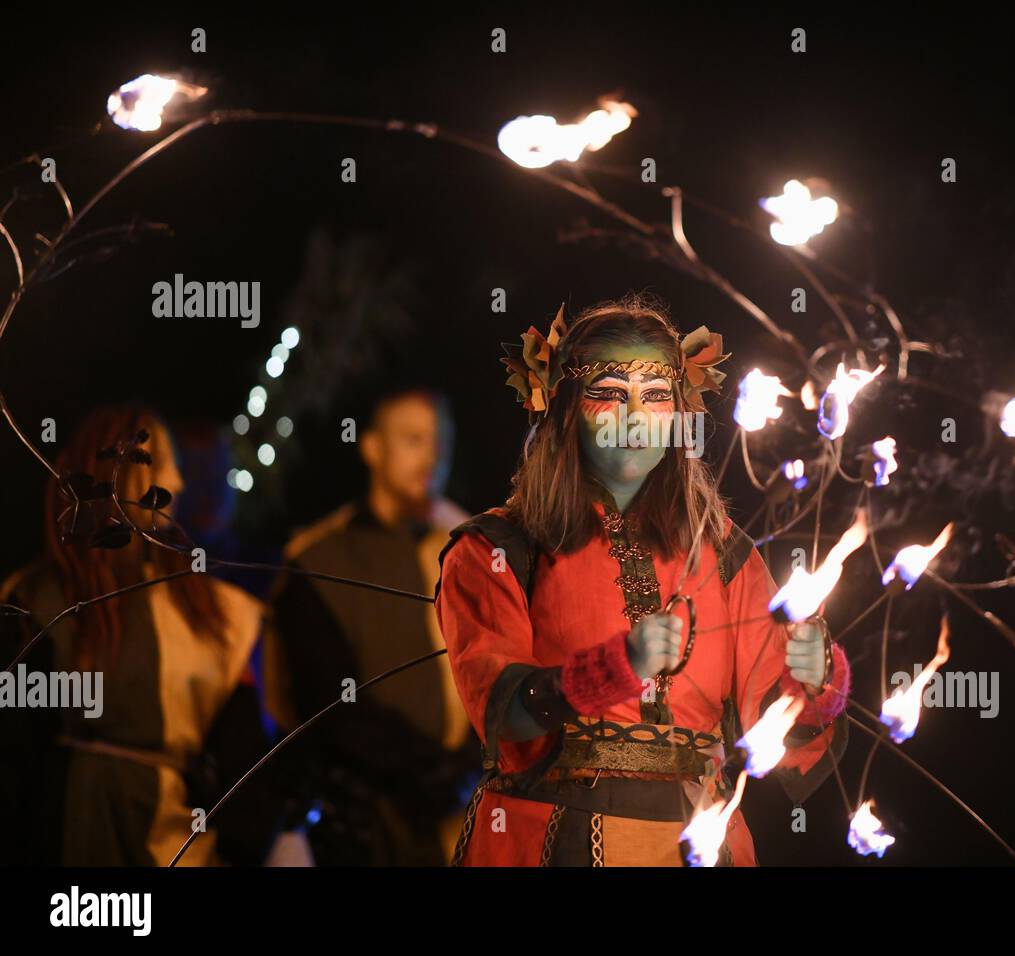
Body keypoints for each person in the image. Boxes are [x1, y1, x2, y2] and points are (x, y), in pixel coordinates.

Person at [435, 293, 851, 867]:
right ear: (563, 406)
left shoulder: (724, 551)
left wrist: (816, 681)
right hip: (548, 842)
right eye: (609, 394)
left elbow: (779, 736)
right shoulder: (498, 548)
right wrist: (613, 669)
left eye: (655, 396)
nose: (634, 418)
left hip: (701, 842)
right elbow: (501, 711)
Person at [0, 405, 273, 866]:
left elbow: (245, 764)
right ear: (110, 470)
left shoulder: (218, 615)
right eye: (160, 465)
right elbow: (14, 751)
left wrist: (239, 847)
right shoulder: (43, 600)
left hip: (177, 846)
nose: (179, 485)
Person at [266, 386, 476, 865]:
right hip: (365, 821)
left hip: (462, 812)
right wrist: (428, 769)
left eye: (440, 441)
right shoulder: (319, 559)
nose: (431, 455)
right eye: (412, 439)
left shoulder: (471, 546)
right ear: (372, 448)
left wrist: (471, 762)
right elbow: (326, 703)